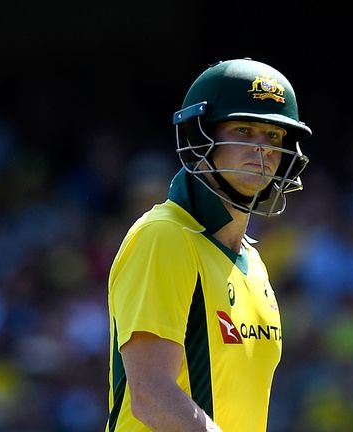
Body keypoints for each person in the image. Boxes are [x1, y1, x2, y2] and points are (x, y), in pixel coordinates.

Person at [105, 57, 313, 431]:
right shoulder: (164, 236)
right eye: (244, 131)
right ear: (200, 136)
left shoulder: (253, 262)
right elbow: (151, 396)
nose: (262, 150)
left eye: (274, 137)